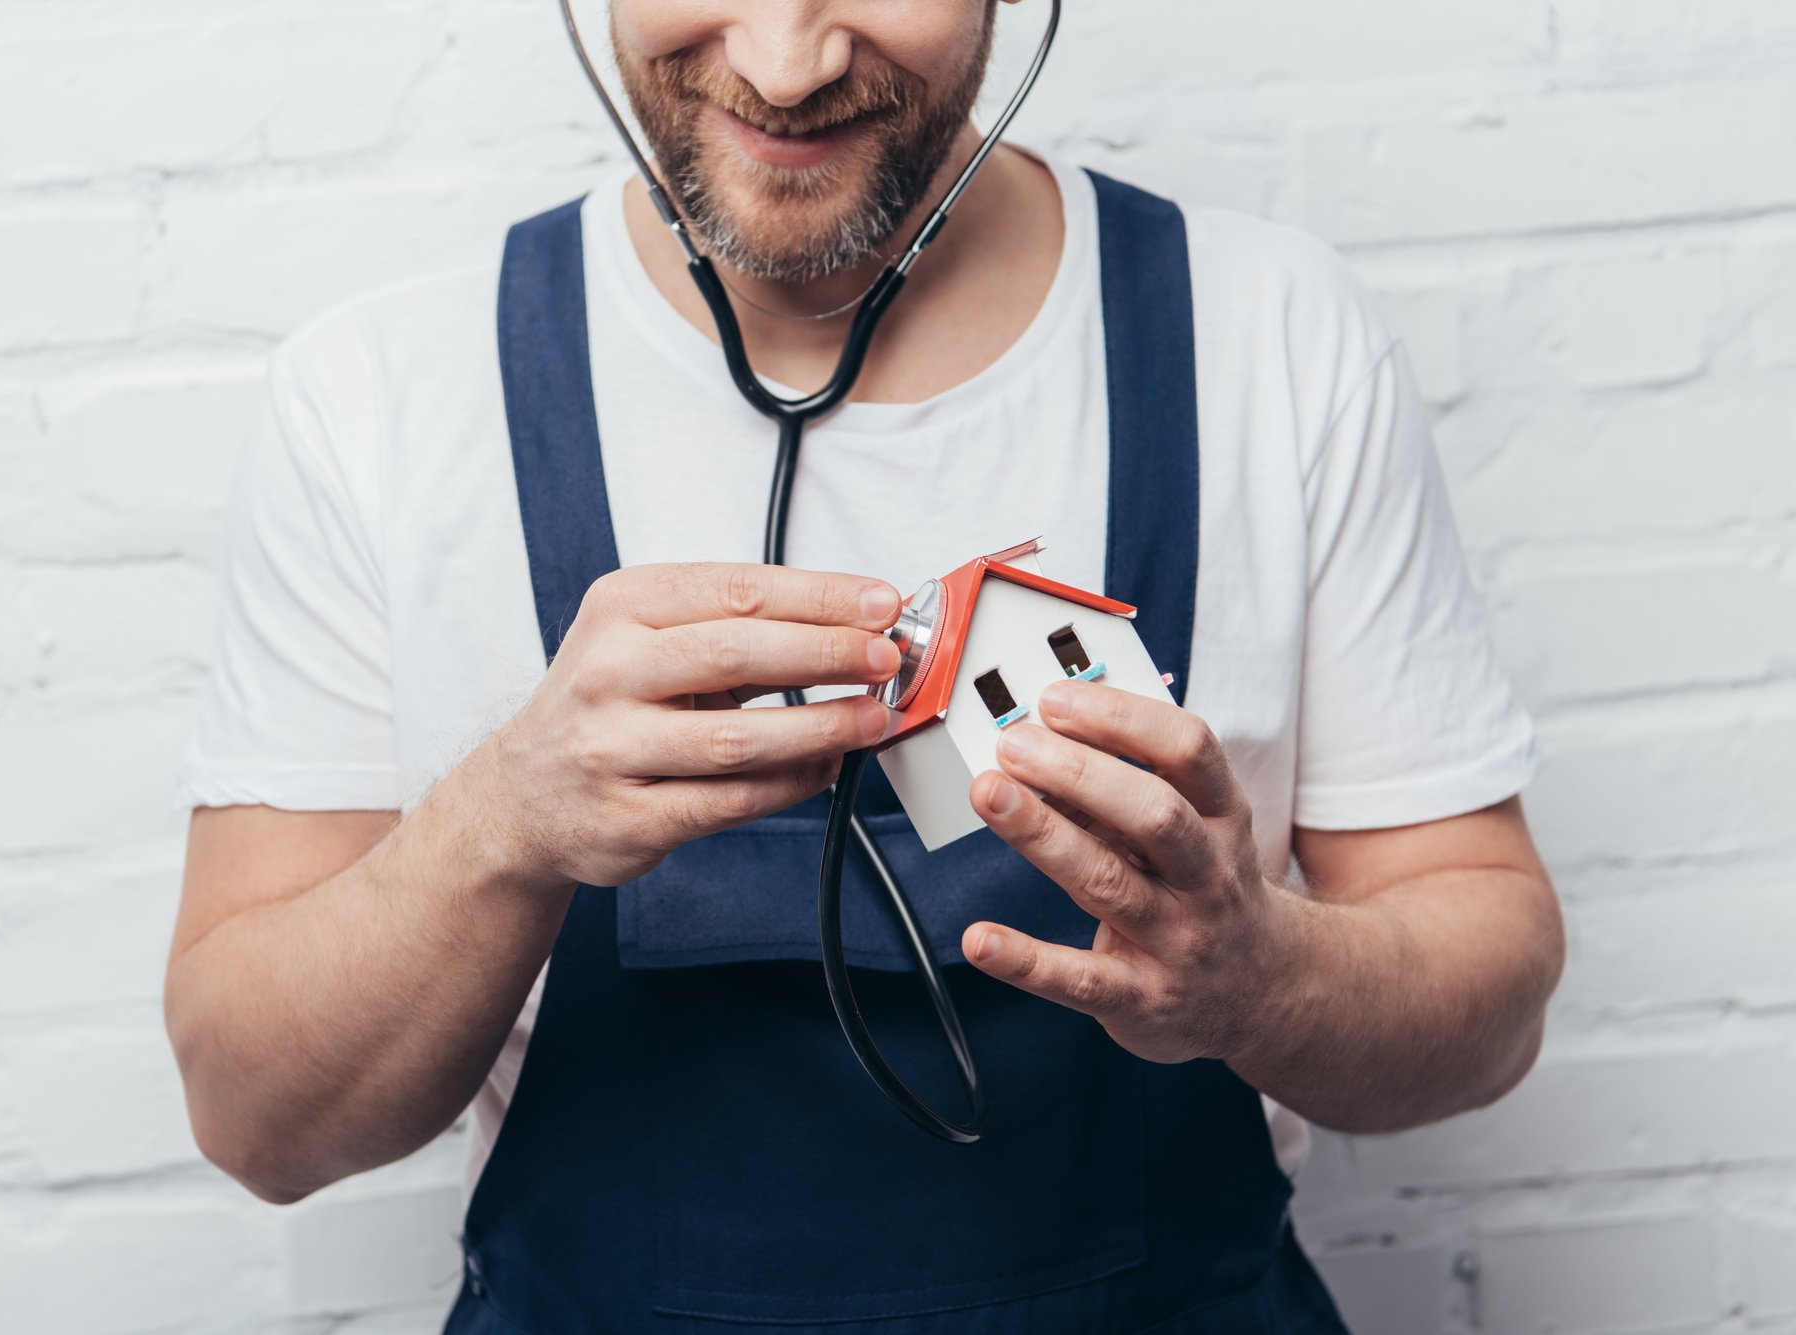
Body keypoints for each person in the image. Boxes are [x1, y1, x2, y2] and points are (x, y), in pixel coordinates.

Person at [164, 1, 1565, 1330]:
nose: (784, 63)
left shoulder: (1271, 337)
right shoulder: (382, 397)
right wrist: (502, 823)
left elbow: (1492, 1003)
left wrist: (1266, 980)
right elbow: (257, 1122)